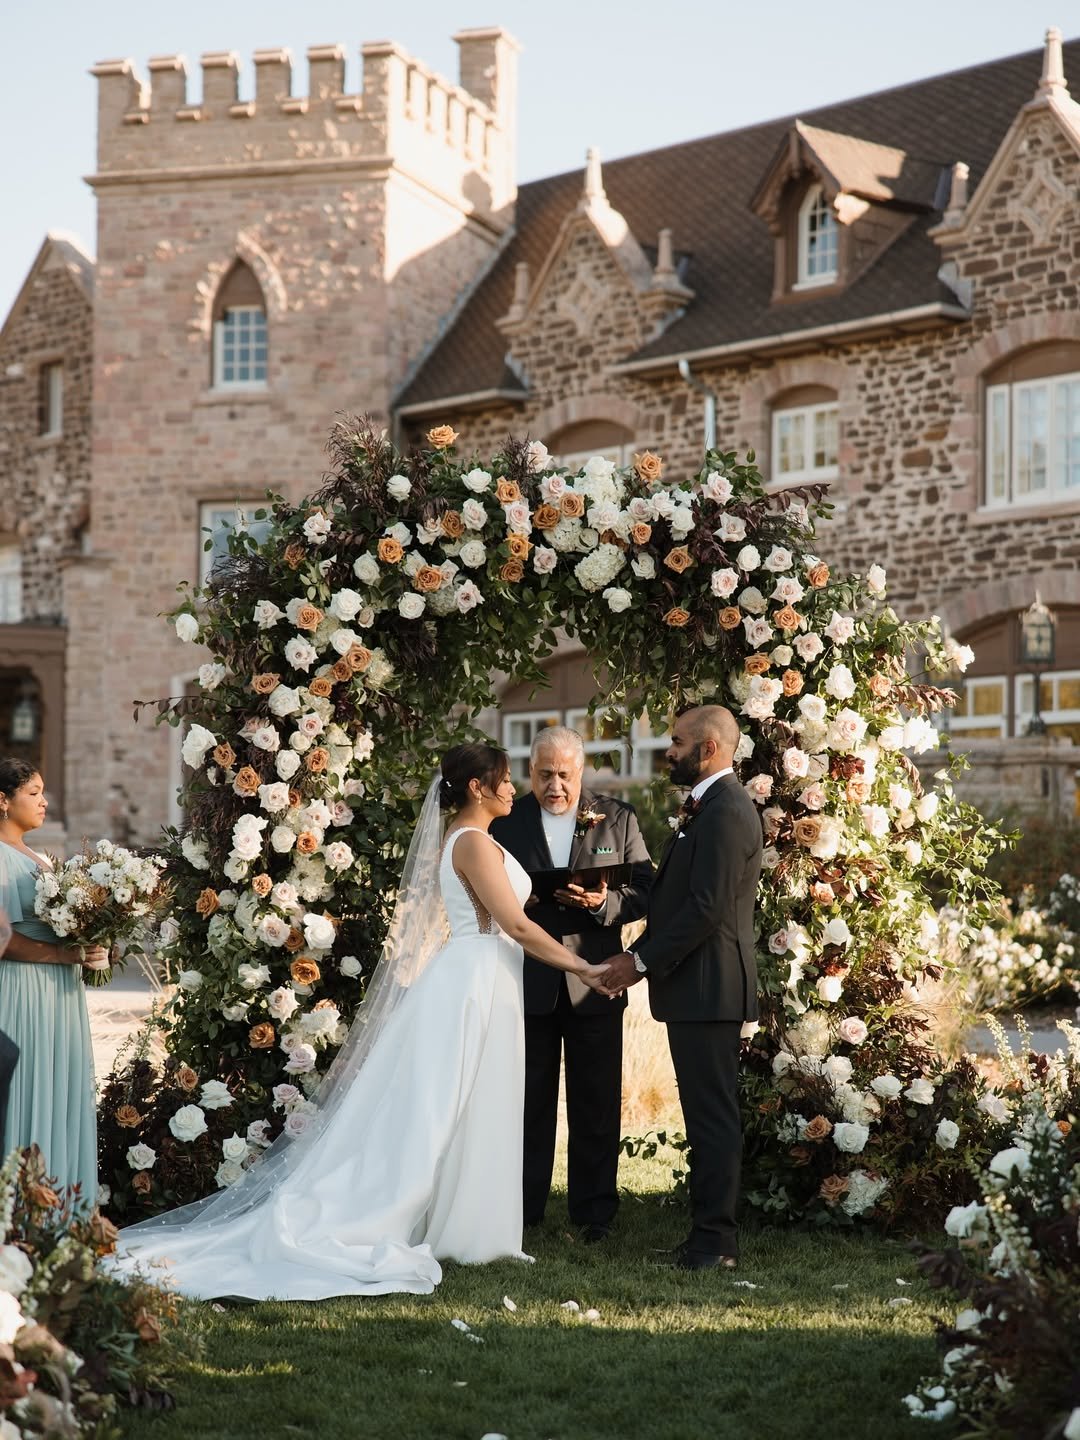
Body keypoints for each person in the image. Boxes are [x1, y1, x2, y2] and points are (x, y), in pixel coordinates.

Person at [107, 743, 613, 1300]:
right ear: (477, 787)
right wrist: (582, 967)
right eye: (506, 778)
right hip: (477, 981)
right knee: (444, 1108)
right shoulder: (472, 844)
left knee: (477, 1104)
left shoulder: (478, 842)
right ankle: (434, 1224)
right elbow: (514, 925)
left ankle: (474, 1229)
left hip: (491, 979)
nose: (514, 787)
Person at [602, 707, 763, 1271]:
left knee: (712, 1116)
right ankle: (706, 1236)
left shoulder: (726, 812)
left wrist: (637, 961)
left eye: (677, 742)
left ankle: (716, 1243)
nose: (668, 751)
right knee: (702, 1113)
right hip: (698, 988)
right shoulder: (708, 807)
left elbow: (704, 908)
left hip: (710, 988)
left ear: (710, 748)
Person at [491, 727, 653, 1242]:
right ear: (528, 773)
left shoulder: (618, 816)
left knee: (596, 1104)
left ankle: (595, 1216)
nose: (555, 785)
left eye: (564, 774)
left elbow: (647, 890)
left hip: (598, 981)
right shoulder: (507, 821)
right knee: (528, 1103)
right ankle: (523, 1209)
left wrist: (604, 905)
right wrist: (522, 904)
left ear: (581, 772)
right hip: (528, 981)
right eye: (544, 774)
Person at [0, 758, 104, 1210]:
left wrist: (98, 945)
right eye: (33, 792)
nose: (44, 801)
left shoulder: (39, 857)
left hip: (60, 993)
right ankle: (23, 1215)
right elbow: (3, 941)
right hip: (24, 990)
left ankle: (65, 1210)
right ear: (3, 801)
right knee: (29, 1089)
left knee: (60, 1090)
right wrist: (66, 954)